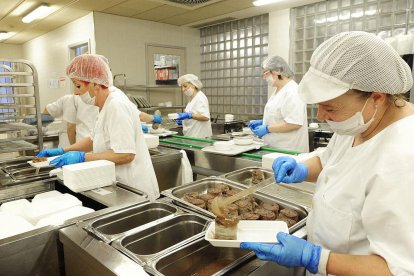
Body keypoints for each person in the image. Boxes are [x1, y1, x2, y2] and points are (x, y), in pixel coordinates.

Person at [240, 31, 414, 275]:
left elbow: (398, 269)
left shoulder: (405, 159)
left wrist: (313, 258)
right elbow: (330, 160)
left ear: (376, 97)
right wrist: (301, 168)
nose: (320, 117)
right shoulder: (361, 121)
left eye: (329, 107)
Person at [37, 54, 160, 201]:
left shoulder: (116, 105)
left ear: (95, 83)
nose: (75, 92)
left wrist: (83, 157)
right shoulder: (103, 104)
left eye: (78, 85)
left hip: (134, 188)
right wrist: (63, 150)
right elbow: (92, 139)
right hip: (118, 184)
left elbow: (126, 154)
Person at [248, 56, 309, 153]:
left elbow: (294, 123)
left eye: (266, 73)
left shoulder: (293, 91)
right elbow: (279, 116)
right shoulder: (278, 91)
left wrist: (267, 128)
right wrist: (263, 122)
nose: (264, 77)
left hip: (289, 151)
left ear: (278, 71)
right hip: (275, 149)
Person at [176, 74, 212, 138]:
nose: (183, 89)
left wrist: (189, 115)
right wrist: (184, 120)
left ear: (193, 85)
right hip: (192, 136)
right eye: (181, 87)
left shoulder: (200, 98)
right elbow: (194, 116)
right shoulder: (192, 99)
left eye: (185, 86)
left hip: (200, 137)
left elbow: (205, 117)